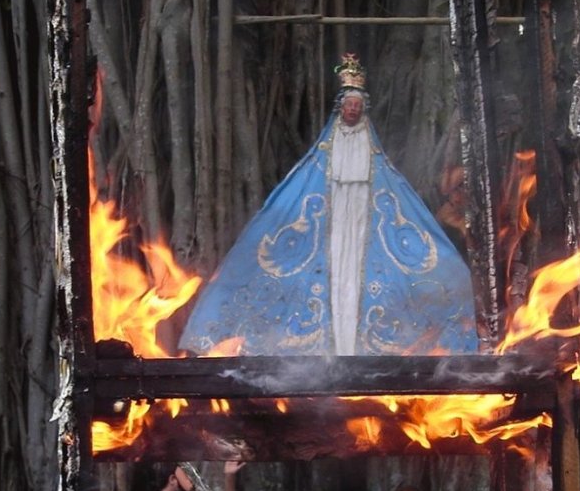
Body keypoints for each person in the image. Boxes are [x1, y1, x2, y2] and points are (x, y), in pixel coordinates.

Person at [179, 53, 477, 357]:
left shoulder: (377, 163)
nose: (352, 110)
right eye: (348, 106)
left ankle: (362, 349)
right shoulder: (320, 160)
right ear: (340, 109)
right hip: (332, 221)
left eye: (357, 107)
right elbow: (304, 189)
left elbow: (390, 192)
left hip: (363, 218)